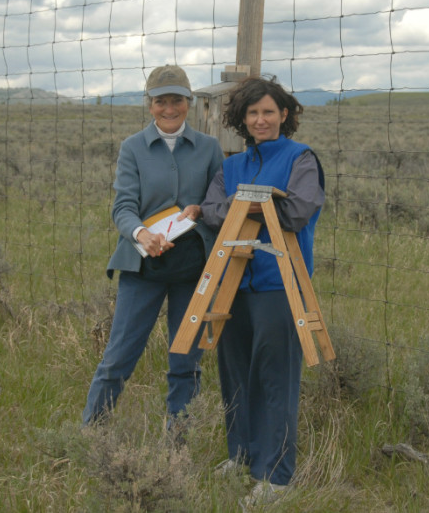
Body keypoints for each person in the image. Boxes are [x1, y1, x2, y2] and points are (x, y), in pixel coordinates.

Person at [200, 76, 325, 509]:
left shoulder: (300, 159)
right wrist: (253, 202)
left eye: (269, 112)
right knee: (234, 372)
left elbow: (297, 210)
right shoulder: (231, 165)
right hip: (232, 282)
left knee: (276, 378)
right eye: (253, 113)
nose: (260, 120)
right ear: (243, 119)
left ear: (284, 115)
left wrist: (247, 205)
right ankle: (241, 455)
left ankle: (276, 476)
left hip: (279, 283)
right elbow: (213, 211)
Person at [82, 65, 224, 434]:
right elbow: (123, 207)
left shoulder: (209, 149)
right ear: (150, 105)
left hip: (193, 265)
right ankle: (92, 433)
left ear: (188, 103)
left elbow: (218, 201)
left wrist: (201, 210)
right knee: (119, 356)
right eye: (161, 101)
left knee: (186, 357)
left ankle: (177, 440)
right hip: (144, 263)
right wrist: (141, 234)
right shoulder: (132, 148)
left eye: (177, 100)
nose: (169, 108)